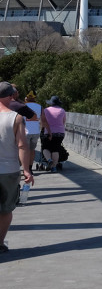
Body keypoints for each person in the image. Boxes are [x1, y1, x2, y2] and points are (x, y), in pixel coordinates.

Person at [0, 81, 35, 253]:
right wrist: (26, 170)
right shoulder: (16, 118)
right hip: (9, 170)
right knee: (5, 209)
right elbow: (22, 146)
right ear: (10, 96)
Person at [40, 95, 67, 173]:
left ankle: (49, 160)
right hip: (60, 133)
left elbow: (43, 122)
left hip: (48, 132)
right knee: (55, 149)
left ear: (51, 103)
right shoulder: (62, 111)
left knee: (45, 148)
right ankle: (54, 167)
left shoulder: (45, 110)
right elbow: (63, 122)